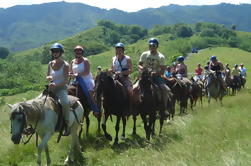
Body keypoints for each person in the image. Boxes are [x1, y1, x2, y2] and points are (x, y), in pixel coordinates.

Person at [138, 38, 171, 117]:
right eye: (150, 45)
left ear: (157, 46)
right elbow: (139, 64)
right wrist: (142, 69)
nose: (151, 47)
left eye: (153, 46)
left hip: (156, 76)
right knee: (134, 87)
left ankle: (164, 107)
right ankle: (135, 106)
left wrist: (155, 73)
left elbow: (163, 69)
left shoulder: (161, 57)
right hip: (145, 76)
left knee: (165, 89)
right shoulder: (144, 54)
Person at [46, 42, 71, 136]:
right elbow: (48, 75)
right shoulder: (50, 63)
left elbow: (65, 80)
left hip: (61, 89)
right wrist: (48, 78)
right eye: (53, 51)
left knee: (65, 103)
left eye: (57, 51)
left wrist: (55, 85)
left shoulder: (66, 65)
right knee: (39, 101)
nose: (55, 53)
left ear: (61, 53)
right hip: (51, 89)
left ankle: (67, 125)